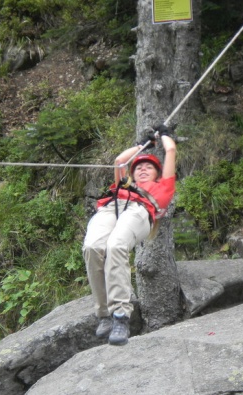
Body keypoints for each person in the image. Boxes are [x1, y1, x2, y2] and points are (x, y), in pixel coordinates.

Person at [82, 125, 176, 346]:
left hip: (140, 210)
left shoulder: (163, 188)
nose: (143, 169)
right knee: (93, 247)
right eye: (139, 167)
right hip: (112, 208)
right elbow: (119, 161)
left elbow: (170, 151)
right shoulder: (122, 184)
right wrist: (142, 145)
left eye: (149, 167)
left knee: (116, 245)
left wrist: (164, 136)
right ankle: (103, 314)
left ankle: (121, 316)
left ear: (158, 174)